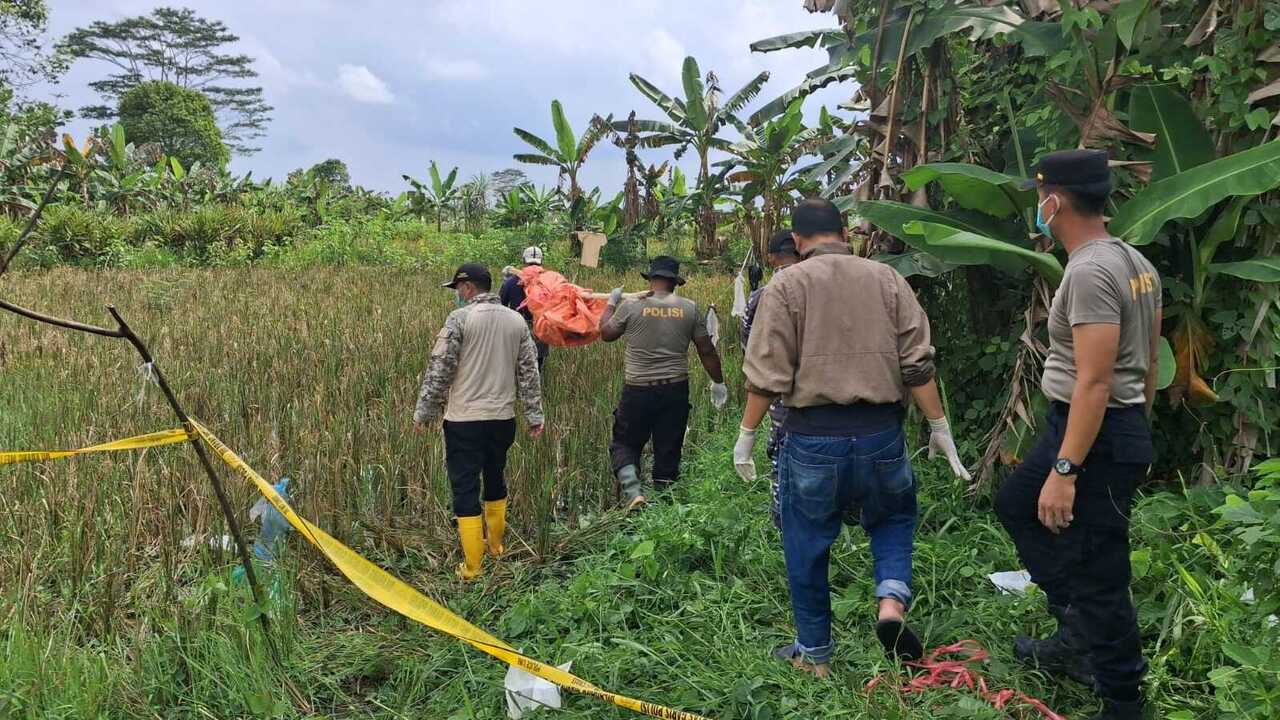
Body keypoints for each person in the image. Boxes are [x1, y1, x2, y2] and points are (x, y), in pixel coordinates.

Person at [737, 198, 970, 678]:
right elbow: (917, 364)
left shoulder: (786, 285)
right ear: (845, 232)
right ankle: (891, 602)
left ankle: (815, 655)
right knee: (893, 518)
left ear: (797, 240)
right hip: (881, 433)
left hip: (813, 439)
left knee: (806, 541)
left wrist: (746, 436)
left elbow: (767, 375)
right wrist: (939, 426)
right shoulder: (888, 279)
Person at [994, 150, 1160, 720]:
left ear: (1054, 200)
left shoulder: (1090, 271)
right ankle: (1076, 634)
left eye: (1039, 198)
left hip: (1096, 429)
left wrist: (1067, 471)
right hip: (1098, 424)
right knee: (1017, 504)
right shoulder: (1134, 261)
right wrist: (1136, 424)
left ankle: (1122, 700)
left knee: (1098, 570)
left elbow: (1095, 380)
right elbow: (1148, 364)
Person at [413, 263, 545, 581]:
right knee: (495, 477)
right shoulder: (516, 320)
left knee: (465, 486)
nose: (457, 294)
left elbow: (440, 370)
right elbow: (529, 372)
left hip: (464, 420)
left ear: (468, 287)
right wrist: (534, 415)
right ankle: (495, 546)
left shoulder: (459, 319)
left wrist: (423, 413)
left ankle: (473, 566)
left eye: (458, 288)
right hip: (502, 419)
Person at [599, 255, 727, 509]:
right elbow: (706, 350)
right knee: (668, 447)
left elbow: (606, 333)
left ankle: (634, 493)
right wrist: (718, 382)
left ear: (651, 279)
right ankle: (665, 506)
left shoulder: (631, 306)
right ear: (675, 282)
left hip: (637, 389)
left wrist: (611, 303)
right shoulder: (689, 308)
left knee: (625, 443)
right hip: (674, 389)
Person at [739, 228, 802, 529]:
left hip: (781, 400)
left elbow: (749, 348)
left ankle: (785, 527)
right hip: (834, 401)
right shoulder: (824, 286)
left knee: (785, 462)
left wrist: (746, 435)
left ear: (772, 257)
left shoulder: (761, 296)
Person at [500, 246, 550, 371]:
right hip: (540, 330)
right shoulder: (549, 283)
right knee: (536, 369)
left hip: (516, 330)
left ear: (523, 261)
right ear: (541, 262)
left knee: (515, 369)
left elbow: (500, 307)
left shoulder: (510, 283)